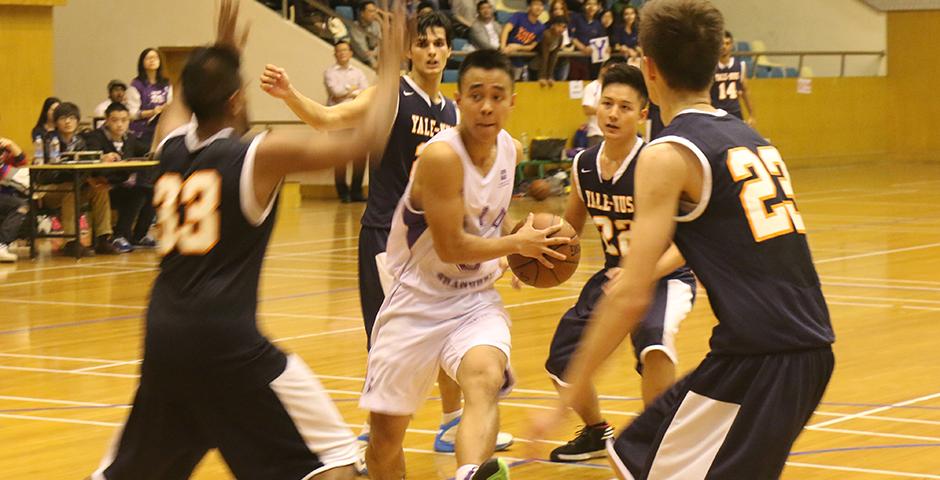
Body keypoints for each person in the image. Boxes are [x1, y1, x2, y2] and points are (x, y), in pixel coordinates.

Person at [87, 1, 404, 478]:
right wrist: (391, 63)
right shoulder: (258, 155)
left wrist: (223, 49)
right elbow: (366, 140)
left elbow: (180, 102)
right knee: (336, 460)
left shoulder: (168, 145)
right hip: (229, 345)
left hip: (163, 338)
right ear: (236, 98)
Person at [529, 1, 835, 478]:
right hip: (787, 348)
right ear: (717, 64)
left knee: (638, 463)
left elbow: (630, 294)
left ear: (647, 68)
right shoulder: (753, 139)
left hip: (765, 355)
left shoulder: (668, 154)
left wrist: (564, 398)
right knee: (636, 460)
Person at [261, 11, 514, 457]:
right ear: (410, 50)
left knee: (451, 322)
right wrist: (289, 95)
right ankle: (375, 428)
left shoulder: (458, 111)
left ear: (449, 51)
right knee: (391, 334)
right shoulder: (390, 95)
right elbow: (326, 119)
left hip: (440, 239)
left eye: (439, 43)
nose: (432, 51)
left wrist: (505, 242)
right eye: (423, 44)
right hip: (388, 235)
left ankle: (452, 421)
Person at [361, 48, 570, 480]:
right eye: (477, 95)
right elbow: (452, 245)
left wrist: (518, 247)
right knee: (384, 442)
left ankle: (470, 472)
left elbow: (492, 218)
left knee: (485, 376)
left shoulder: (509, 150)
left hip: (474, 299)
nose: (487, 105)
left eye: (498, 95)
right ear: (460, 100)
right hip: (416, 300)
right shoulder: (442, 157)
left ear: (514, 101)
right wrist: (517, 243)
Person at [543, 64, 695, 463]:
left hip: (666, 274)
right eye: (607, 104)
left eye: (625, 107)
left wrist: (642, 272)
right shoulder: (583, 165)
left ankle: (659, 441)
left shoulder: (658, 162)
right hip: (613, 273)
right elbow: (571, 228)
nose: (612, 114)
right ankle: (596, 432)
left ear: (644, 115)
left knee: (655, 342)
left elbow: (687, 244)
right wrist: (532, 250)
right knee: (562, 361)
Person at [40, 102, 118, 257]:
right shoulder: (48, 141)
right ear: (56, 122)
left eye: (71, 118)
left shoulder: (81, 142)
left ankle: (103, 238)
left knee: (99, 190)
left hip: (75, 186)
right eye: (63, 118)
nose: (68, 122)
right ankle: (71, 242)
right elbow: (47, 175)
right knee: (71, 189)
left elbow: (86, 166)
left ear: (77, 121)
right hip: (48, 191)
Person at [84, 102, 156, 251]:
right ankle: (119, 236)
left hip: (121, 187)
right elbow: (90, 158)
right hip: (102, 187)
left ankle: (139, 235)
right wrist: (102, 158)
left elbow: (147, 151)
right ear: (107, 120)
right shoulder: (95, 138)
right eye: (115, 120)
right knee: (138, 193)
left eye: (124, 120)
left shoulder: (129, 139)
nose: (119, 125)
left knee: (150, 191)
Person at [324, 40, 370, 203]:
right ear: (335, 54)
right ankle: (343, 192)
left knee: (360, 156)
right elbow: (335, 92)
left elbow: (366, 93)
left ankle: (357, 192)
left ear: (351, 53)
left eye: (345, 50)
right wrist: (352, 91)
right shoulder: (329, 72)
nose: (342, 53)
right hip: (336, 119)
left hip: (357, 119)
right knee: (340, 157)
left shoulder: (358, 72)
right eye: (339, 51)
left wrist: (348, 93)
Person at [127, 48, 173, 147]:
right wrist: (152, 112)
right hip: (141, 133)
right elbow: (131, 113)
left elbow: (171, 103)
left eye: (155, 58)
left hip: (162, 131)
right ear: (142, 62)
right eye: (148, 58)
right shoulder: (136, 85)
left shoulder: (166, 84)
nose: (152, 60)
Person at [711, 30, 756, 125]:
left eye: (727, 43)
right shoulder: (711, 67)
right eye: (722, 43)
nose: (724, 46)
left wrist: (752, 114)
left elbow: (745, 91)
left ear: (731, 45)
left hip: (735, 111)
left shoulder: (740, 66)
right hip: (717, 111)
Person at [582, 57, 627, 147]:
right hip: (596, 133)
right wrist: (606, 111)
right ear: (603, 70)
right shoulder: (592, 87)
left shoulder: (618, 89)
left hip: (616, 134)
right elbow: (586, 109)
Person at [500, 0, 545, 80]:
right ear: (529, 6)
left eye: (541, 5)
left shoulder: (541, 27)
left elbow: (531, 46)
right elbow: (506, 29)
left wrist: (517, 47)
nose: (538, 7)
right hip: (506, 57)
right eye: (535, 4)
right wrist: (503, 47)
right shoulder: (519, 16)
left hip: (519, 61)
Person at [0, 137, 29, 263]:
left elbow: (22, 161)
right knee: (19, 206)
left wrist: (11, 144)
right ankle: (2, 244)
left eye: (2, 153)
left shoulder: (4, 146)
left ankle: (3, 244)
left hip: (6, 196)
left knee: (23, 205)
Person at [569, 0, 606, 79]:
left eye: (594, 4)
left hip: (590, 61)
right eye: (589, 4)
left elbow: (601, 42)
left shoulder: (598, 24)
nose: (591, 7)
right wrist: (582, 47)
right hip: (575, 58)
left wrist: (605, 48)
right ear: (584, 6)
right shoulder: (576, 18)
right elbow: (571, 36)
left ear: (598, 7)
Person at [529, 16, 568, 87]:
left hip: (545, 64)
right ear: (553, 25)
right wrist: (542, 77)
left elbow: (554, 56)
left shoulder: (560, 37)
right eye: (559, 26)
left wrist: (550, 76)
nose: (561, 29)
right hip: (535, 64)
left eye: (564, 27)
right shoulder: (546, 35)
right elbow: (545, 56)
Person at [349, 0, 382, 68]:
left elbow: (380, 44)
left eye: (374, 11)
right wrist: (374, 63)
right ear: (362, 13)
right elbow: (362, 51)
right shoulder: (355, 27)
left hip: (375, 59)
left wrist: (375, 52)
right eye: (370, 11)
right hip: (359, 63)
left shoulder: (376, 25)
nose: (373, 14)